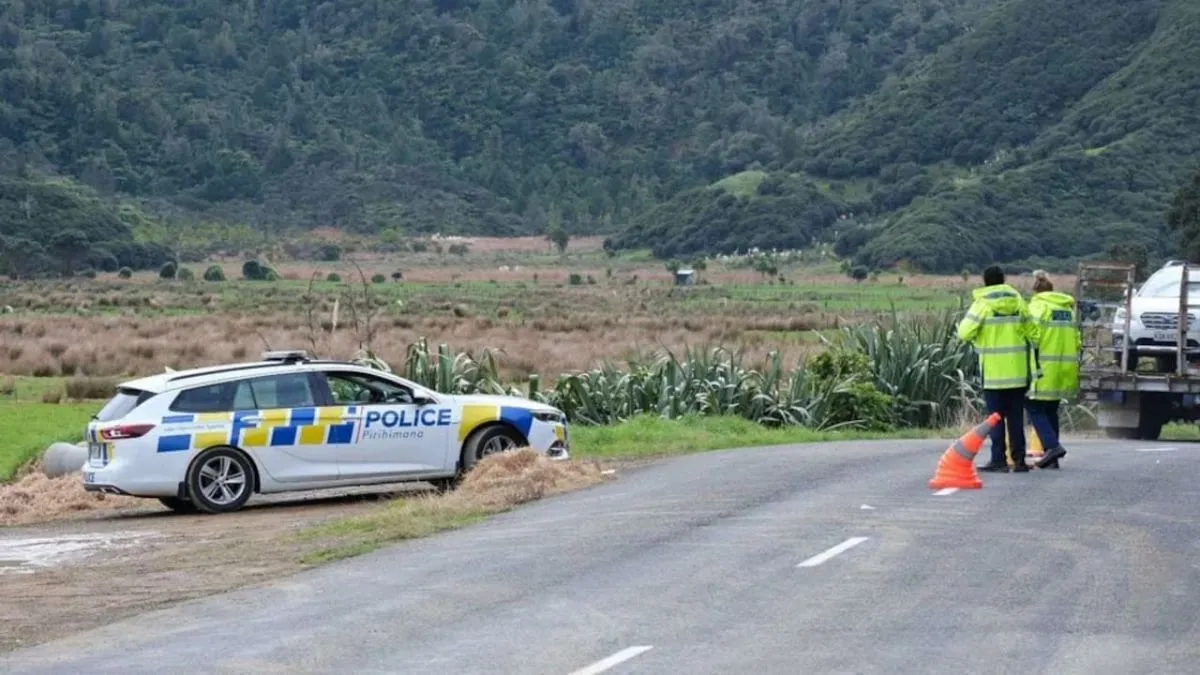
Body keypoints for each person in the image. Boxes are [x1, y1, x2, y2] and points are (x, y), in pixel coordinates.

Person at [956, 265, 1041, 472]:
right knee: (1016, 418)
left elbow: (964, 333)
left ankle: (998, 460)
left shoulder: (983, 303)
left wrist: (981, 336)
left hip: (994, 374)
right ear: (1004, 279)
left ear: (985, 281)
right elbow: (1035, 334)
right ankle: (1019, 460)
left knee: (995, 418)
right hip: (1018, 371)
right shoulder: (1018, 301)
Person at [1025, 270, 1079, 469]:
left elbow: (1032, 336)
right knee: (1051, 410)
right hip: (1063, 369)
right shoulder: (1067, 310)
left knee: (1033, 407)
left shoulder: (1037, 308)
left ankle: (1052, 446)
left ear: (1035, 290)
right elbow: (1077, 340)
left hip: (1043, 368)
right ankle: (1052, 458)